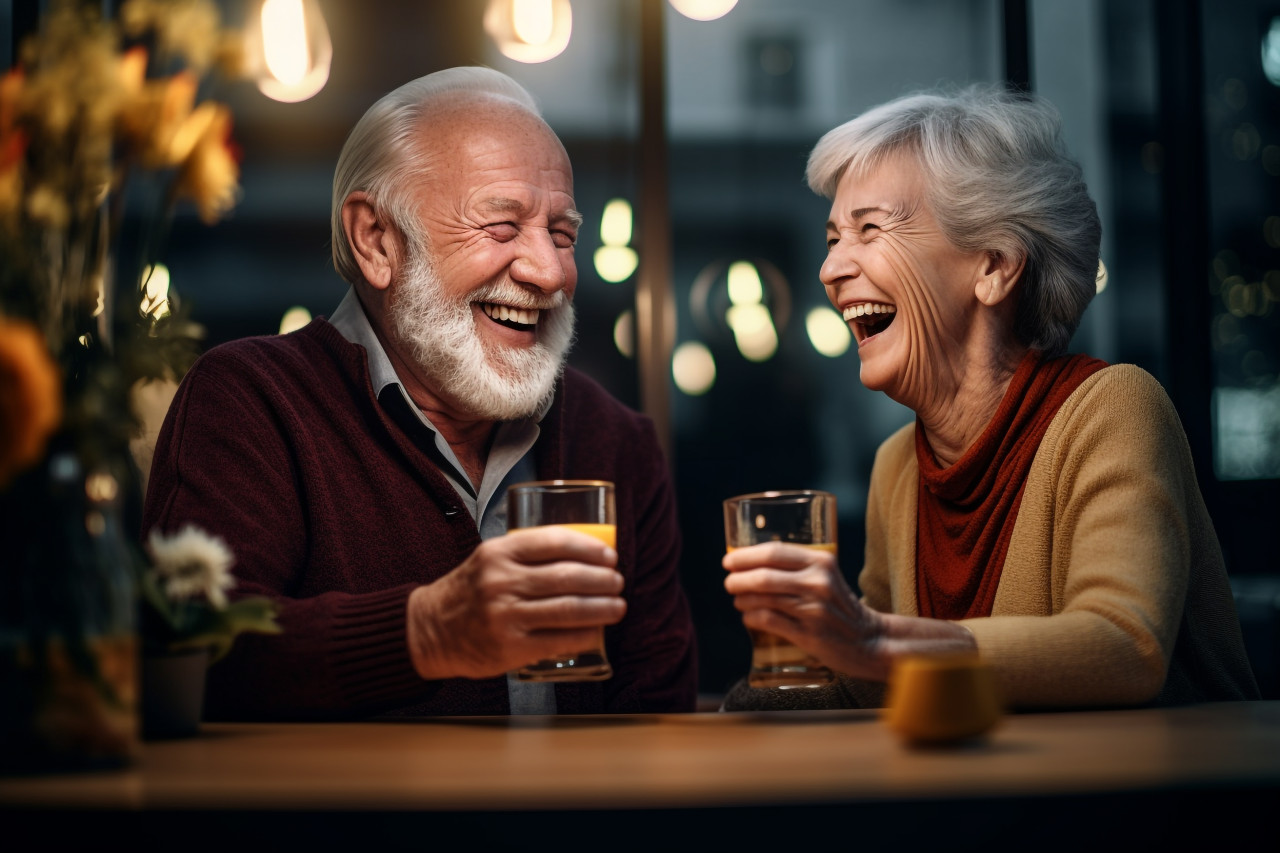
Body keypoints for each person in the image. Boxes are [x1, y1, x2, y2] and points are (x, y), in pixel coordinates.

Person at [141, 67, 698, 719]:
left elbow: (658, 711)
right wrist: (424, 633)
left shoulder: (616, 439)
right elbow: (191, 661)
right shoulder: (250, 400)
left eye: (563, 234)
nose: (550, 272)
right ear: (376, 241)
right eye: (501, 227)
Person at [722, 84, 1259, 711]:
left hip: (1164, 803)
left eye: (869, 229)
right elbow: (869, 675)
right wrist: (749, 700)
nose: (831, 268)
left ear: (995, 266)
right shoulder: (898, 466)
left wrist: (867, 640)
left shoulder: (1112, 410)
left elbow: (1123, 646)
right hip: (994, 801)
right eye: (833, 237)